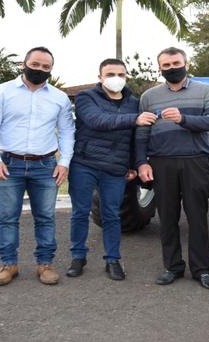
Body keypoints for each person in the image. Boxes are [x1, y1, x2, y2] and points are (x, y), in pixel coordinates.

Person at [0, 46, 75, 286]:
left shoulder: (59, 98)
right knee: (7, 217)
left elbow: (66, 132)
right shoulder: (1, 92)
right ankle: (9, 264)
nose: (40, 69)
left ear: (51, 69)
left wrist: (64, 162)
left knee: (45, 217)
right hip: (8, 164)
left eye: (46, 67)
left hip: (44, 165)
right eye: (35, 64)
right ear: (24, 64)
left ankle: (45, 264)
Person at [135, 47, 209, 290]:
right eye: (166, 65)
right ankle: (172, 266)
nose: (172, 68)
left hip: (195, 160)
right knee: (167, 217)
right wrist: (142, 162)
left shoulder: (206, 91)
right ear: (160, 68)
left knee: (197, 217)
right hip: (162, 162)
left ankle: (202, 270)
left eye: (176, 63)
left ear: (186, 63)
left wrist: (183, 118)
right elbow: (142, 133)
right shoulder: (149, 97)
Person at [66, 58, 156, 281]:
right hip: (85, 163)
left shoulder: (134, 102)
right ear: (100, 77)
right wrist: (135, 119)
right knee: (80, 212)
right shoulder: (87, 97)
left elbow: (136, 138)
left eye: (121, 75)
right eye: (110, 74)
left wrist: (135, 164)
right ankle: (78, 257)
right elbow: (97, 120)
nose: (116, 79)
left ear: (126, 77)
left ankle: (113, 259)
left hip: (115, 168)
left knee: (112, 214)